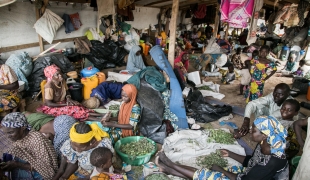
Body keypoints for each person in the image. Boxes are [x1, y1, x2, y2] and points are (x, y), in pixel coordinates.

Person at [155, 116, 288, 180]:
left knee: (209, 175)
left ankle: (169, 163)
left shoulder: (271, 162)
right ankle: (168, 170)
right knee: (216, 170)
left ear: (264, 135)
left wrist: (221, 170)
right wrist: (230, 154)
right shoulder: (266, 143)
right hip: (249, 174)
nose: (249, 131)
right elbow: (251, 161)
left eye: (254, 130)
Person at [0, 112, 58, 180]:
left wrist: (18, 165)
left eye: (11, 132)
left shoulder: (37, 140)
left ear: (22, 128)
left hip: (42, 173)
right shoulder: (19, 138)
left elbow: (48, 169)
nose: (8, 136)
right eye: (6, 133)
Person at [37, 64, 102, 121]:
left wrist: (69, 99)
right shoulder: (49, 86)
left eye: (60, 73)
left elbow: (67, 91)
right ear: (51, 77)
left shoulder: (62, 81)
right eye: (57, 75)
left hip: (63, 102)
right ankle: (100, 119)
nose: (60, 76)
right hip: (52, 108)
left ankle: (102, 115)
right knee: (74, 111)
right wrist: (66, 105)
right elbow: (49, 103)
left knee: (79, 106)